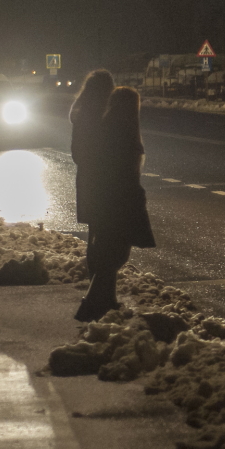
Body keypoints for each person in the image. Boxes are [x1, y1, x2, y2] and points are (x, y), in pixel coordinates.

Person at [75, 86, 156, 322]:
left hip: (105, 203)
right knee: (115, 256)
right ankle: (91, 307)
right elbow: (126, 175)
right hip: (120, 204)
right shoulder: (125, 133)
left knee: (110, 254)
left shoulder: (106, 129)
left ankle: (104, 303)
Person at [70, 70, 115, 246]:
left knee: (94, 231)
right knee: (108, 231)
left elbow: (76, 152)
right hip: (109, 178)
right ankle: (103, 271)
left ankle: (94, 269)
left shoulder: (81, 113)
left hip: (87, 177)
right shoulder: (111, 113)